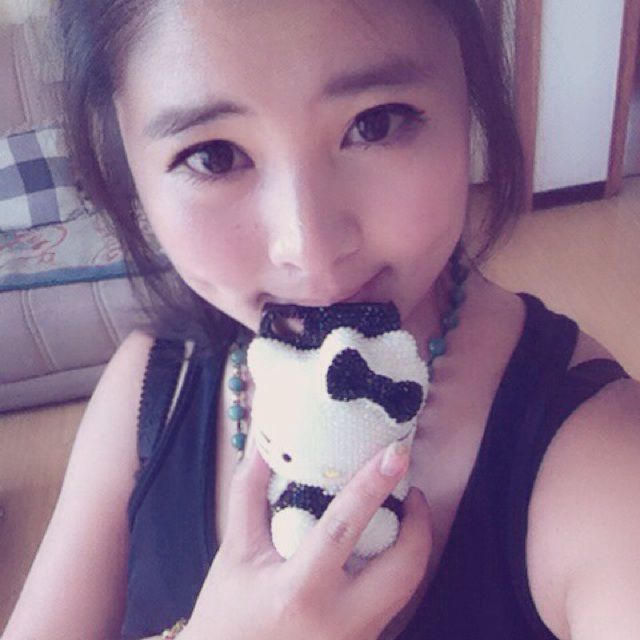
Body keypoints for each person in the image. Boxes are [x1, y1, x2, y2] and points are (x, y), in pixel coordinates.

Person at [4, 1, 639, 639]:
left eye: (375, 123)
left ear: (467, 95)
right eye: (214, 156)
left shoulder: (602, 456)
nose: (308, 248)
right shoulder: (148, 386)